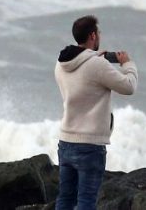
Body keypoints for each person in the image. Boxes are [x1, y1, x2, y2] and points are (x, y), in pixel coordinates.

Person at [54, 15, 138, 210]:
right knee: (86, 202)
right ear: (92, 35)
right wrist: (128, 64)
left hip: (66, 141)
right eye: (98, 33)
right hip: (89, 145)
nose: (99, 36)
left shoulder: (60, 64)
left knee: (65, 200)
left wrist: (93, 58)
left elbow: (82, 79)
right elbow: (128, 87)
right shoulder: (97, 65)